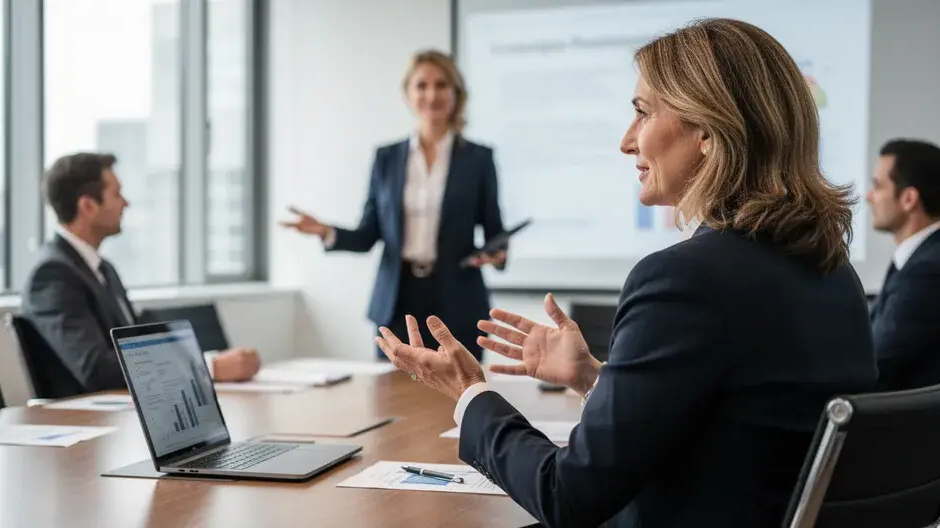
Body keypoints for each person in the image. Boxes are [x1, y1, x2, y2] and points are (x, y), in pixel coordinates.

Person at [375, 19, 877, 527]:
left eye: (641, 113)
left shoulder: (684, 281)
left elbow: (566, 496)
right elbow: (730, 432)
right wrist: (593, 378)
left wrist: (470, 393)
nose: (626, 141)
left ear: (707, 128)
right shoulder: (835, 275)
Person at [282, 50, 506, 361]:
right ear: (407, 94)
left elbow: (495, 229)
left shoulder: (479, 159)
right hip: (398, 302)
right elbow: (368, 234)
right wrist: (326, 231)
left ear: (456, 94)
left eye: (442, 85)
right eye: (422, 85)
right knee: (393, 400)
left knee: (458, 400)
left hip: (458, 300)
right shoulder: (386, 159)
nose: (432, 94)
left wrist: (496, 252)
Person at [21, 152, 261, 397]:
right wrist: (209, 367)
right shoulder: (52, 275)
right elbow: (97, 370)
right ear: (88, 206)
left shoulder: (103, 269)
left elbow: (138, 347)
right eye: (116, 194)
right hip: (88, 418)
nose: (126, 203)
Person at [866, 139, 940, 391]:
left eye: (877, 186)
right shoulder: (921, 258)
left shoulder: (927, 270)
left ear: (909, 198)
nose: (868, 197)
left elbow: (876, 366)